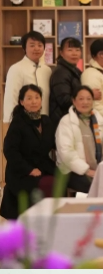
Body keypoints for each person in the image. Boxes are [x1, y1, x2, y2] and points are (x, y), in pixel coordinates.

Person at [0, 85, 57, 219]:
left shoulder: (46, 121)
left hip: (43, 166)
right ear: (22, 102)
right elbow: (10, 151)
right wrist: (29, 169)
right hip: (21, 171)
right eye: (29, 98)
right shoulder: (18, 122)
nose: (34, 101)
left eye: (37, 97)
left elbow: (55, 143)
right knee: (42, 184)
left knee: (61, 179)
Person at [55, 86, 103, 193]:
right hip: (72, 170)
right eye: (81, 99)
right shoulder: (66, 122)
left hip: (97, 168)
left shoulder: (99, 120)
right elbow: (66, 153)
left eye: (89, 99)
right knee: (98, 187)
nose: (85, 102)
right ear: (74, 101)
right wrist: (87, 171)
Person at [3, 31, 52, 123]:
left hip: (44, 122)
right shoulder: (16, 68)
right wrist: (11, 123)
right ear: (24, 48)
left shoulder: (47, 70)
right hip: (23, 122)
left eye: (40, 45)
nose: (36, 48)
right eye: (32, 45)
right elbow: (11, 98)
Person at [49, 37, 94, 130]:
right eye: (70, 50)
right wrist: (88, 98)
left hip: (71, 118)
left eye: (77, 50)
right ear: (61, 52)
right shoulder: (60, 72)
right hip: (63, 121)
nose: (74, 53)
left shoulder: (74, 70)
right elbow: (64, 100)